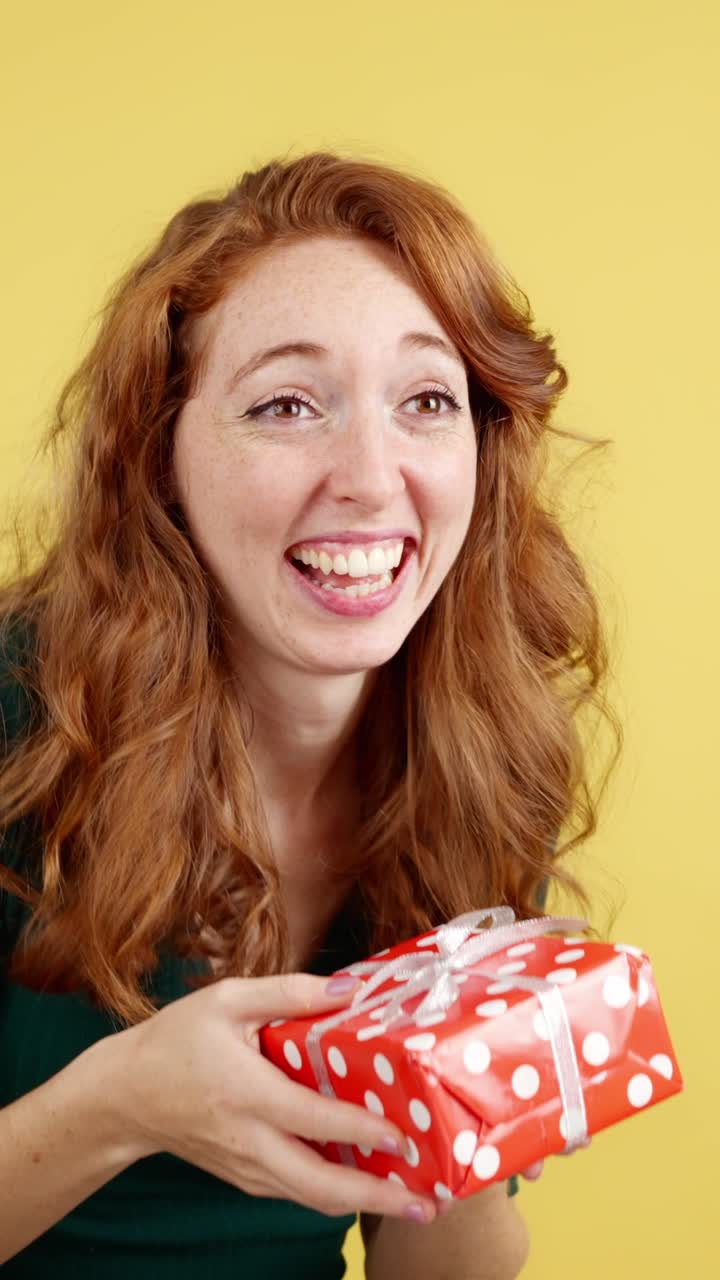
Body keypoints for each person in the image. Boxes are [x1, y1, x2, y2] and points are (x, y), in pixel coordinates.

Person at [0, 151, 619, 1278]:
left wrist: (481, 1130)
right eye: (287, 404)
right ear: (159, 456)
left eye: (426, 401)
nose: (372, 479)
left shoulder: (479, 752)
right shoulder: (17, 722)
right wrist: (118, 1106)